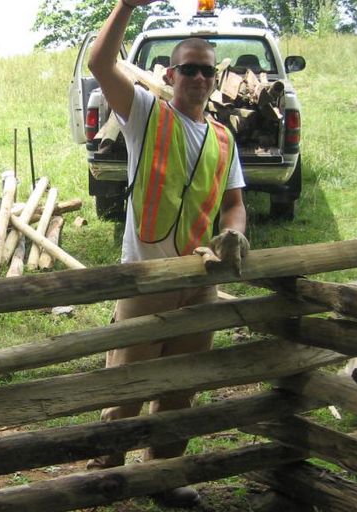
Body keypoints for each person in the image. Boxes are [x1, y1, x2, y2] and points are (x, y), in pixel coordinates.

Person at [85, 1, 249, 508]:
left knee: (181, 387)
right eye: (189, 68)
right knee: (126, 386)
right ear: (171, 74)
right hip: (146, 278)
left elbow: (235, 204)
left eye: (206, 69)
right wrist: (128, 5)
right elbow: (99, 63)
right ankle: (104, 473)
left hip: (200, 281)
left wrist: (234, 235)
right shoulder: (144, 113)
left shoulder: (224, 139)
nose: (198, 77)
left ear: (215, 77)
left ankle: (164, 477)